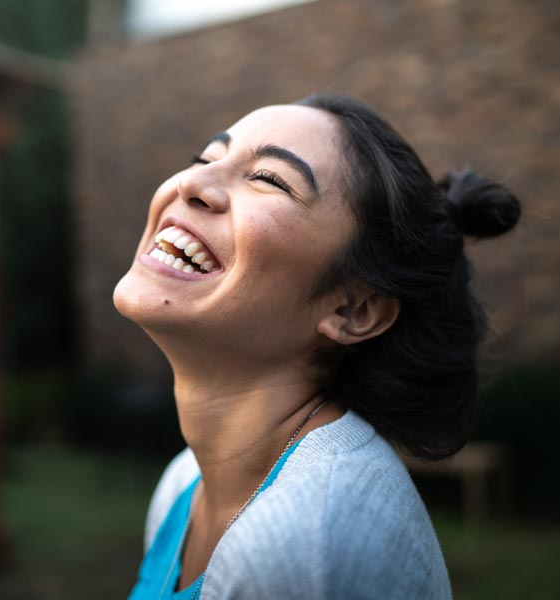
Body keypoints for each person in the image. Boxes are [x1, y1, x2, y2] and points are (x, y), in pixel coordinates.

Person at [114, 94, 520, 599]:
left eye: (268, 179)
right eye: (207, 159)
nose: (191, 183)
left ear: (353, 310)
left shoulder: (305, 546)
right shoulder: (185, 482)